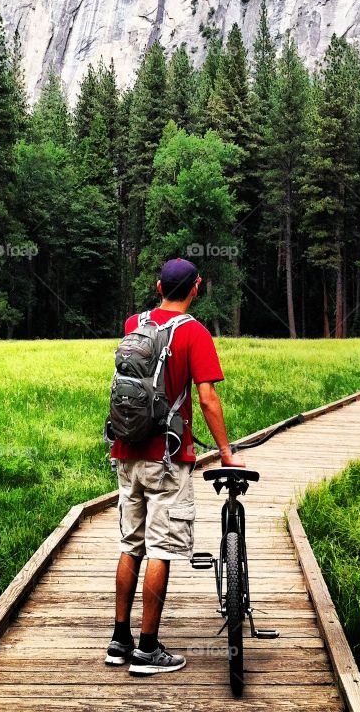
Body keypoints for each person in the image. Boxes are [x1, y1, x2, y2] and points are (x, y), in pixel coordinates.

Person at [106, 257, 244, 676]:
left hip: (125, 451)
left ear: (158, 287)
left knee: (130, 544)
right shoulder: (194, 332)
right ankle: (148, 649)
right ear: (195, 288)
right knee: (161, 549)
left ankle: (119, 641)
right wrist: (225, 452)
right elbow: (207, 398)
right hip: (166, 458)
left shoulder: (134, 323)